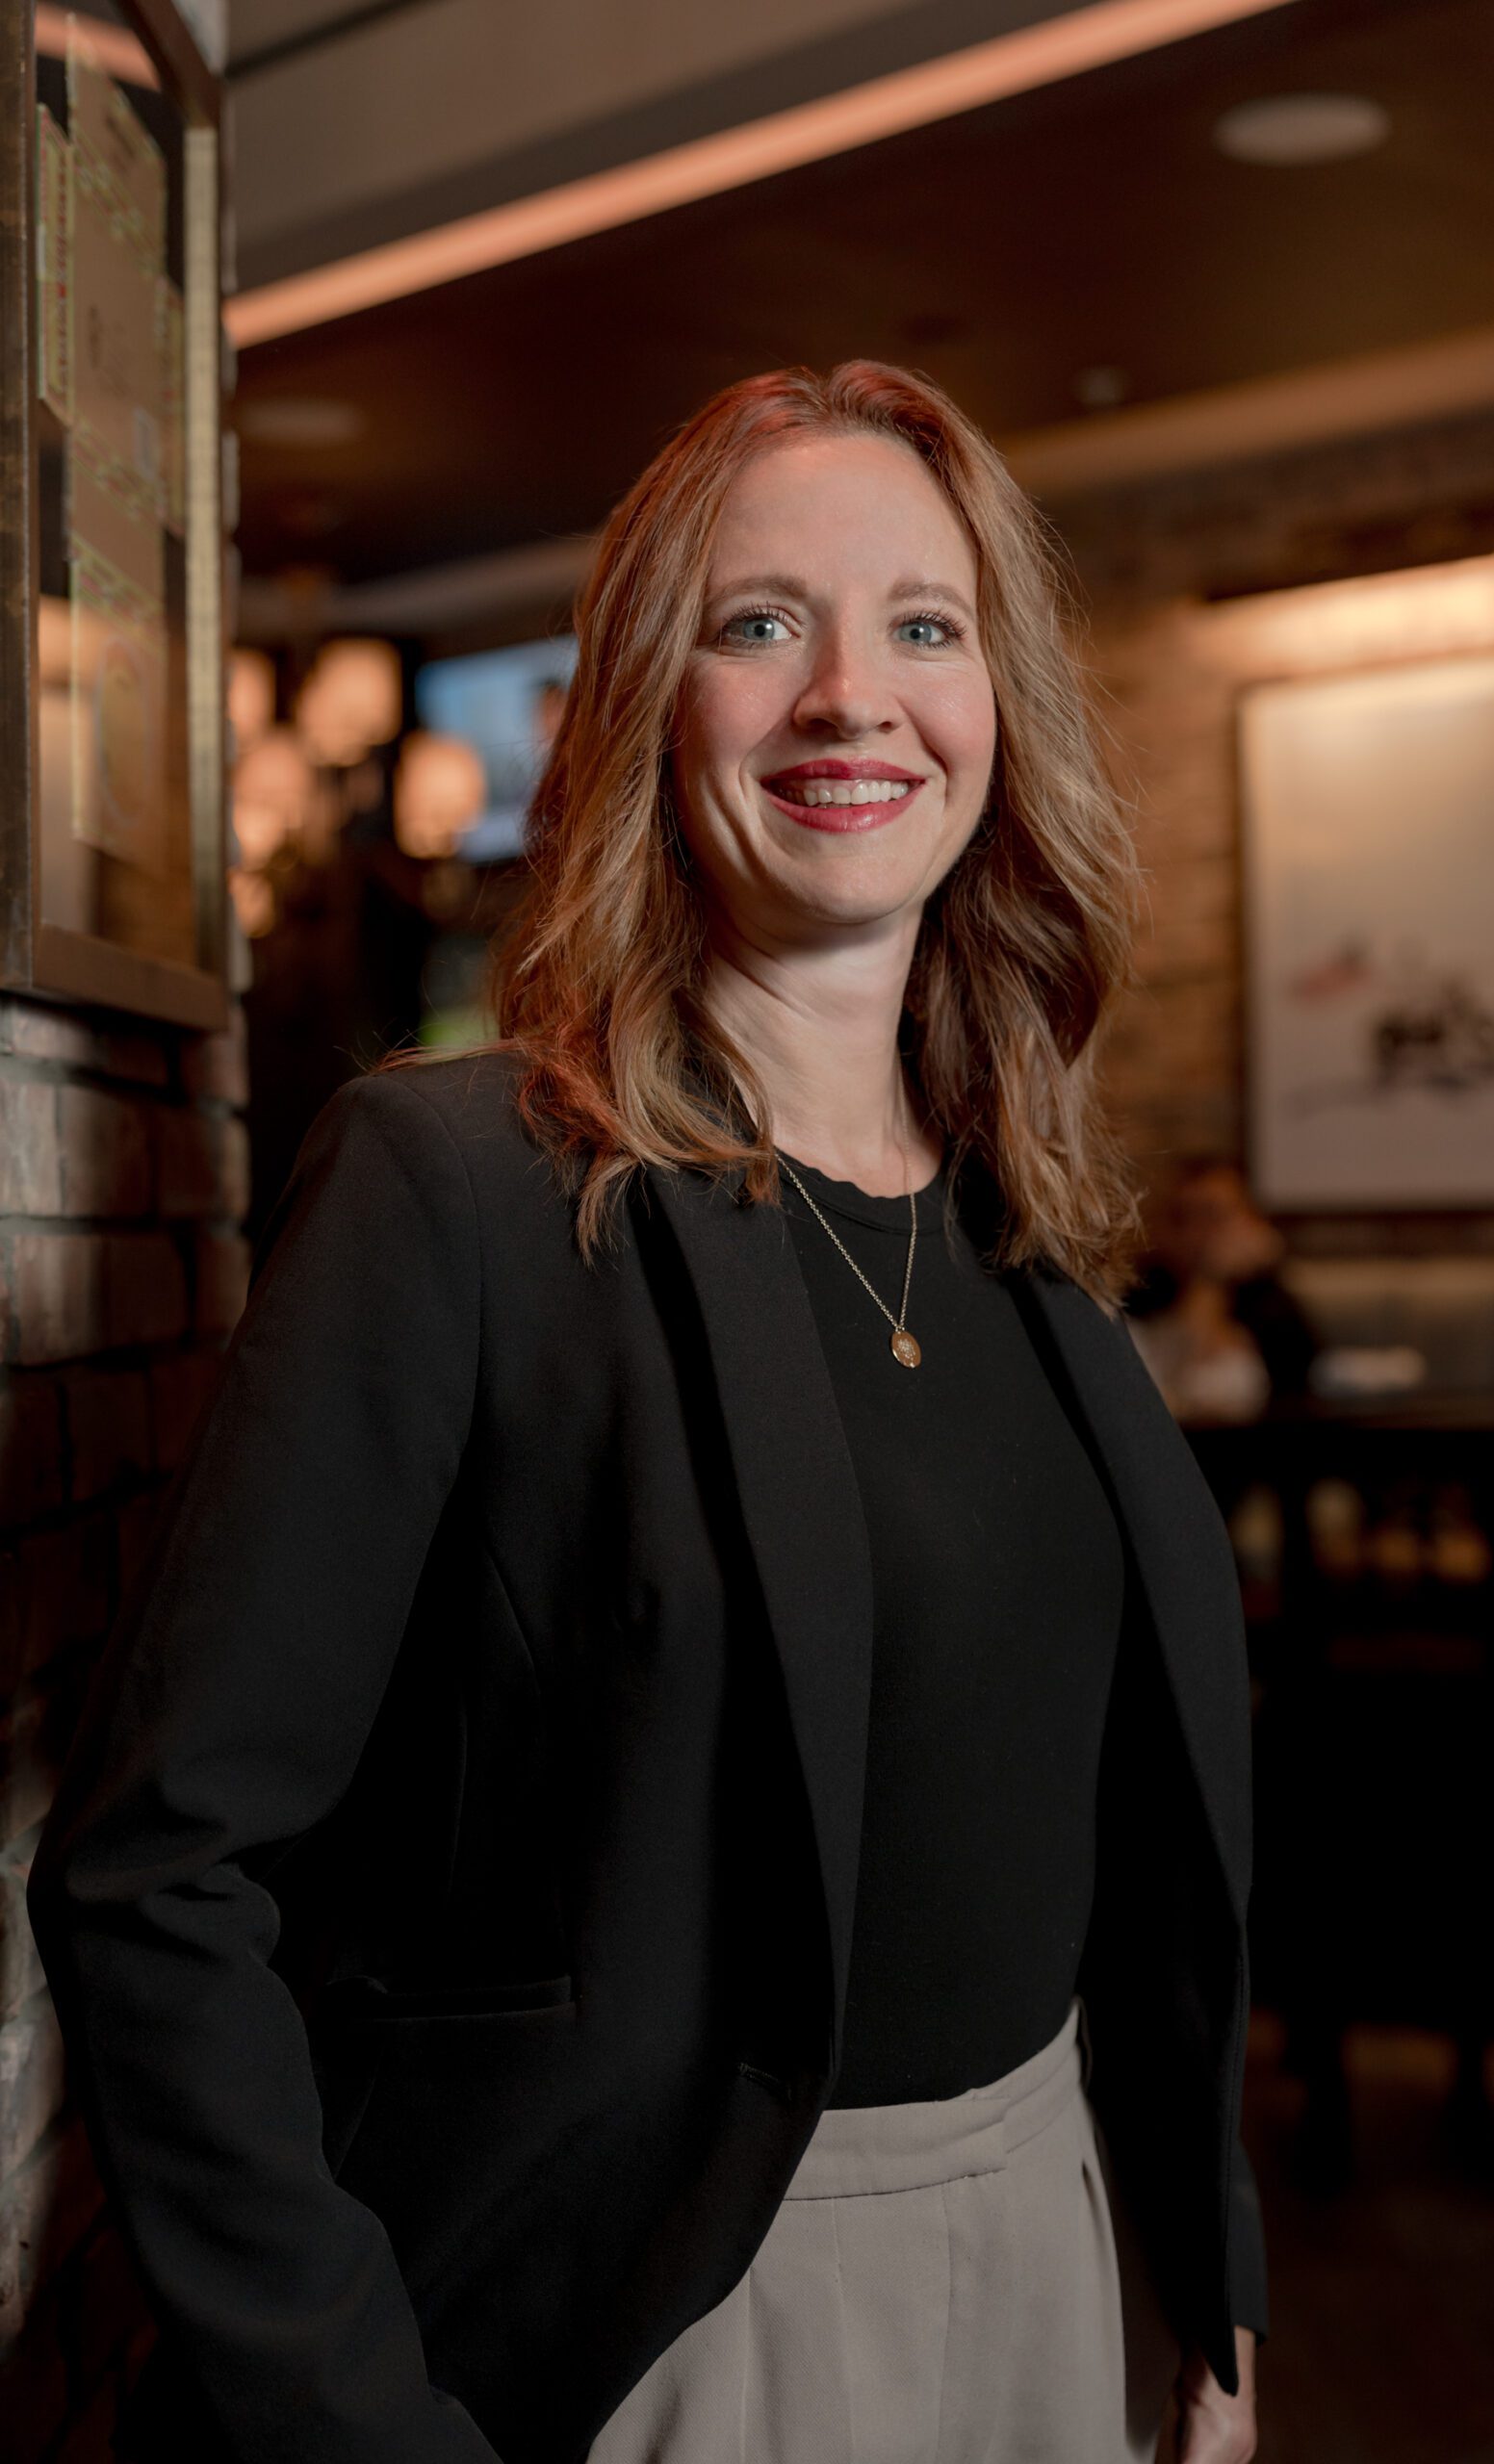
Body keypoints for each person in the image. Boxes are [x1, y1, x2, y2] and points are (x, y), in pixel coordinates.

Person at [28, 363, 1266, 2464]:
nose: (848, 698)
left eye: (923, 625)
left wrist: (1188, 2266)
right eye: (757, 621)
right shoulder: (457, 1190)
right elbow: (163, 1871)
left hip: (1066, 2264)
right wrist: (352, 2421)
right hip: (673, 2321)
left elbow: (1123, 1842)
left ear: (998, 710)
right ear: (635, 702)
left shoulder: (1024, 1228)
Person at [1126, 1158, 1319, 1424]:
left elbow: (1297, 1386)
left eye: (1212, 1216)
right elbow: (1169, 1389)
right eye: (1183, 1217)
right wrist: (1209, 1279)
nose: (1197, 1234)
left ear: (1251, 1222)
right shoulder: (1144, 1294)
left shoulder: (1271, 1304)